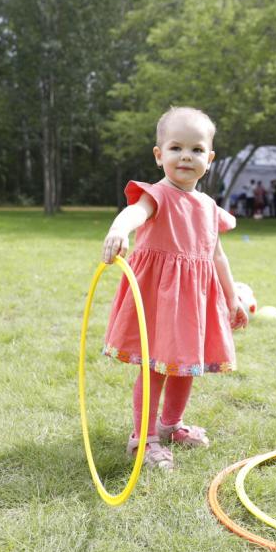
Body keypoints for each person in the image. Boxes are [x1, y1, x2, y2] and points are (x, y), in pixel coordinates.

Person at [101, 107, 248, 470]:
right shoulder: (157, 196)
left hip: (194, 303)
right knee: (154, 367)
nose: (186, 156)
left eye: (197, 150)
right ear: (159, 155)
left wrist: (233, 299)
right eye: (176, 148)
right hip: (159, 298)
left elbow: (218, 256)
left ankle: (170, 425)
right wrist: (120, 230)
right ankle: (144, 437)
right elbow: (133, 213)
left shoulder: (209, 207)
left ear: (209, 159)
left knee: (186, 367)